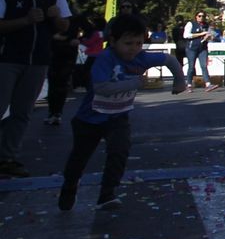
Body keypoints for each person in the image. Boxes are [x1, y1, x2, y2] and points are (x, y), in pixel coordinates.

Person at [58, 14, 182, 211]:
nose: (133, 48)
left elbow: (169, 59)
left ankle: (107, 194)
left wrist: (179, 80)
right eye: (128, 43)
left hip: (118, 116)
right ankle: (70, 184)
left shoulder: (141, 58)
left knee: (119, 151)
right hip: (89, 118)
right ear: (113, 41)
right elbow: (101, 87)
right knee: (80, 157)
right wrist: (133, 83)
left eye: (138, 43)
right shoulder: (105, 58)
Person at [0, 0, 71, 178]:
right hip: (7, 58)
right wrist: (25, 20)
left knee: (22, 112)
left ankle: (7, 158)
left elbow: (65, 27)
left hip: (38, 60)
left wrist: (56, 17)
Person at [181, 10, 216, 92]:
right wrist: (200, 34)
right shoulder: (191, 24)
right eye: (199, 16)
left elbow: (210, 35)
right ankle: (189, 84)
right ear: (196, 16)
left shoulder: (206, 25)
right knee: (191, 67)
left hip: (202, 48)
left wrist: (208, 37)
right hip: (192, 48)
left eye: (203, 16)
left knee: (204, 66)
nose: (201, 18)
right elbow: (186, 35)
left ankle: (208, 84)